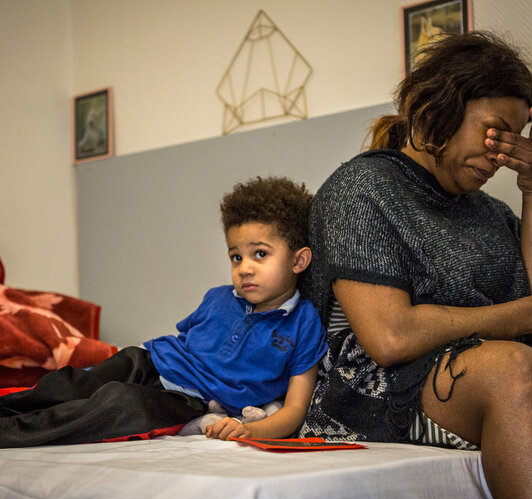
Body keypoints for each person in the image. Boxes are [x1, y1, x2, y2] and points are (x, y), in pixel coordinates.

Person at [298, 32, 532, 499]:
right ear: (438, 110)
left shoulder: (490, 213)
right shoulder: (360, 189)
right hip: (370, 393)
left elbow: (529, 293)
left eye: (515, 138)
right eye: (494, 132)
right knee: (512, 366)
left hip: (463, 370)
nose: (501, 155)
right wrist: (516, 318)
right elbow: (390, 337)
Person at [0, 176, 328, 447]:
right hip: (150, 361)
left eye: (260, 254)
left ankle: (11, 433)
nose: (244, 269)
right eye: (236, 257)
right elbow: (184, 341)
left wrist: (251, 430)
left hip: (190, 400)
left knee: (118, 404)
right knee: (69, 385)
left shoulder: (304, 323)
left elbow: (296, 407)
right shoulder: (218, 298)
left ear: (299, 261)